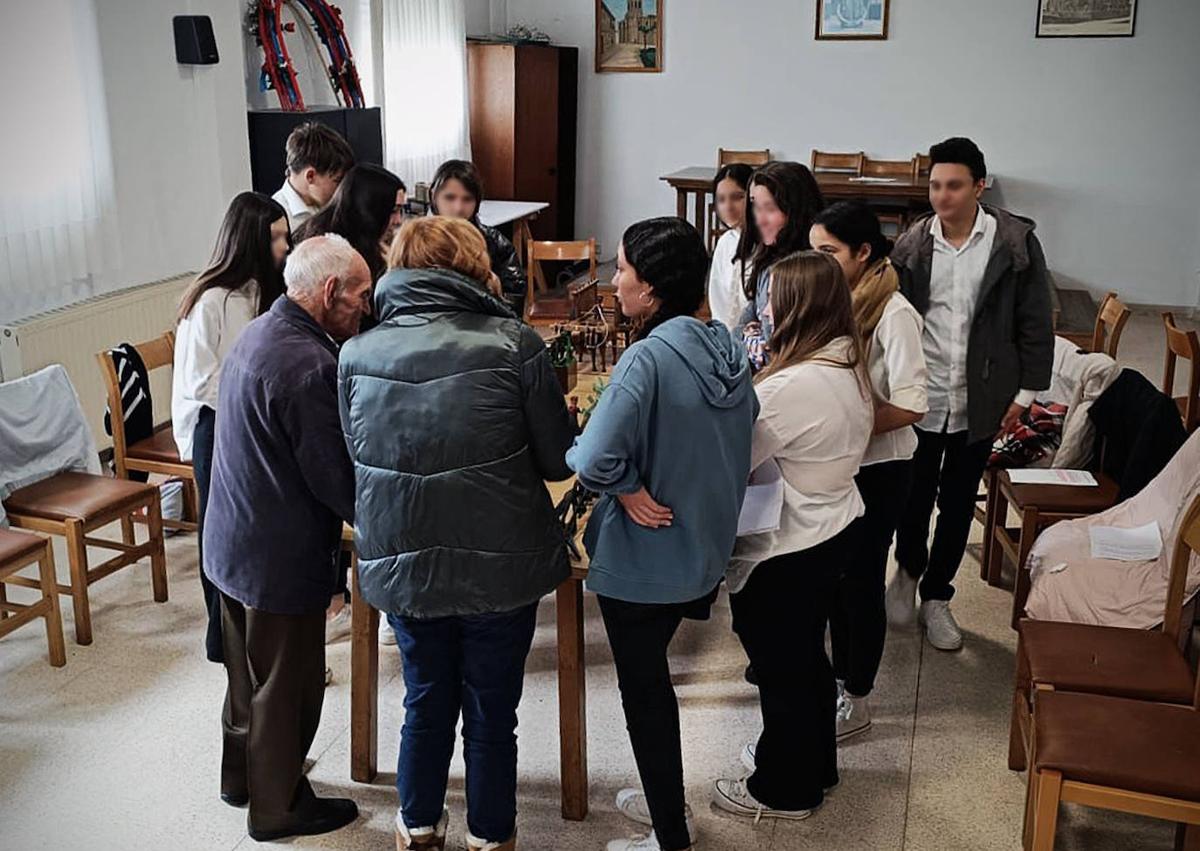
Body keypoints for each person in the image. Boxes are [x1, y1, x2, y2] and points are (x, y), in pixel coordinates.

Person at [338, 216, 576, 851]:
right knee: (492, 711)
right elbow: (557, 460)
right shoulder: (512, 343)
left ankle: (418, 825)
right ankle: (491, 836)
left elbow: (355, 454)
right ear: (474, 264)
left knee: (425, 697)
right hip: (501, 559)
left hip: (402, 553)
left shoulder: (356, 353)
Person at [567, 217, 757, 851]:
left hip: (644, 562)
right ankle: (661, 796)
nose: (614, 281)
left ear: (650, 288)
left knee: (645, 695)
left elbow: (591, 457)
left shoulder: (647, 358)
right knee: (654, 685)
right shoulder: (725, 346)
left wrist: (625, 488)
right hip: (701, 551)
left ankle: (670, 832)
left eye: (622, 269)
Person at [203, 235, 373, 842]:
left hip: (228, 540)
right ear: (329, 292)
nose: (363, 307)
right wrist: (390, 520)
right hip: (277, 555)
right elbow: (336, 481)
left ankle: (240, 779)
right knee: (288, 687)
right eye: (359, 296)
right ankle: (278, 809)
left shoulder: (257, 333)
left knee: (245, 681)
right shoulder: (311, 367)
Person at [714, 250, 873, 823]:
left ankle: (783, 790)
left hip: (791, 543)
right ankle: (814, 765)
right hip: (835, 525)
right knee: (807, 660)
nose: (765, 311)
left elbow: (733, 458)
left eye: (773, 301)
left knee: (782, 667)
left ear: (797, 308)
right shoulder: (846, 360)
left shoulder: (794, 386)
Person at [888, 137, 1054, 651]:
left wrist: (1025, 394)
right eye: (935, 185)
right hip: (923, 394)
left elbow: (1034, 322)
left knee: (958, 502)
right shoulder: (913, 245)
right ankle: (909, 572)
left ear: (979, 186)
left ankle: (938, 596)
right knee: (913, 498)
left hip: (982, 397)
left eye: (954, 185)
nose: (942, 195)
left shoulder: (1013, 244)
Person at [810, 201, 928, 740]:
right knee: (834, 580)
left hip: (881, 468)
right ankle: (837, 681)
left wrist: (845, 423)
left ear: (863, 253)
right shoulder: (838, 302)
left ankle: (858, 697)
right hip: (843, 463)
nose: (818, 262)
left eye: (827, 252)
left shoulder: (894, 312)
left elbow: (911, 403)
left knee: (860, 583)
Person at [172, 191, 290, 665]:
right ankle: (222, 641)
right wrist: (258, 404)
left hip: (250, 421)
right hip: (216, 425)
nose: (286, 246)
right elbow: (203, 380)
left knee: (254, 531)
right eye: (277, 237)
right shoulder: (211, 300)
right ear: (250, 241)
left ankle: (258, 636)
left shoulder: (263, 290)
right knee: (220, 535)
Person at [734, 161, 825, 370]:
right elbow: (742, 325)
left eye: (770, 209)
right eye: (756, 206)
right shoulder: (768, 259)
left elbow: (777, 348)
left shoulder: (810, 273)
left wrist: (752, 335)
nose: (759, 219)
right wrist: (749, 334)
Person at [429, 159, 526, 318]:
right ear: (433, 195)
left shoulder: (495, 242)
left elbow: (513, 301)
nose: (458, 208)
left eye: (467, 199)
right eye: (450, 197)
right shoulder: (417, 244)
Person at [295, 162, 407, 285]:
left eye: (400, 211)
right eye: (393, 211)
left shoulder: (371, 243)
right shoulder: (328, 250)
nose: (398, 220)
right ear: (370, 208)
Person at [272, 121, 355, 230]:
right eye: (338, 180)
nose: (342, 188)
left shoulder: (333, 206)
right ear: (310, 176)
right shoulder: (275, 220)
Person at [706, 162, 753, 331]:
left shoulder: (766, 243)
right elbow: (717, 296)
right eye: (721, 200)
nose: (728, 207)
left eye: (737, 197)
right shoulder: (725, 242)